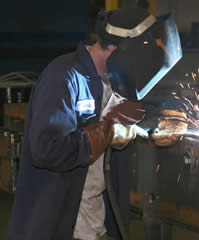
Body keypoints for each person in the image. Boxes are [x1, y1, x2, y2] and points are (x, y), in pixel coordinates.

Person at [7, 7, 182, 240]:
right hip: (56, 227)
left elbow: (133, 113)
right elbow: (47, 149)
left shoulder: (115, 81)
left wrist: (162, 121)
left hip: (95, 227)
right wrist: (106, 133)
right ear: (120, 52)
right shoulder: (64, 78)